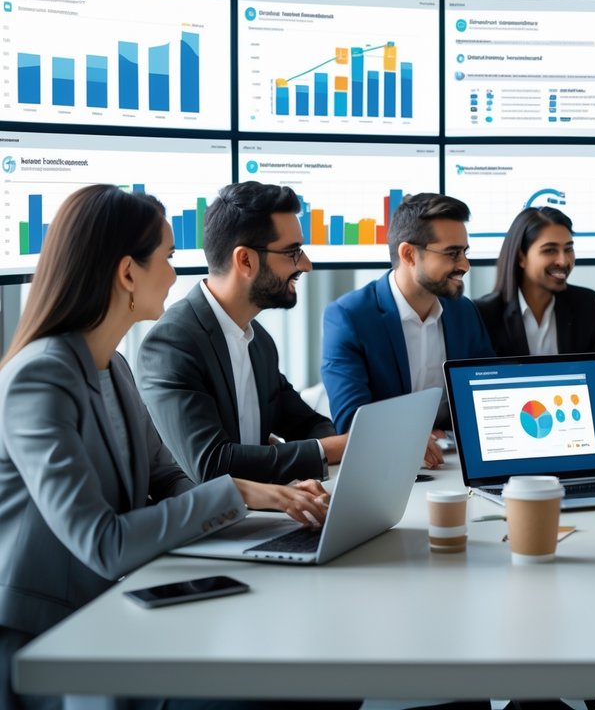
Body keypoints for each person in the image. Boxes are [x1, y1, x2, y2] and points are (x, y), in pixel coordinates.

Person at [0, 185, 330, 710]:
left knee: (316, 684)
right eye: (169, 258)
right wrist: (239, 492)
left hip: (114, 615)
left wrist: (271, 510)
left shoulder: (114, 367)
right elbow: (103, 543)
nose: (178, 275)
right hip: (51, 644)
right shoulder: (39, 377)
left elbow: (170, 479)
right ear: (128, 273)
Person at [138, 182, 344, 486]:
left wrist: (315, 449)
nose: (306, 264)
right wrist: (327, 449)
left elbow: (310, 424)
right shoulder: (172, 344)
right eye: (292, 252)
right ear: (245, 260)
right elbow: (212, 465)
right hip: (213, 528)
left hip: (266, 515)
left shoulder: (258, 340)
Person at [321, 193, 495, 469]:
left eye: (465, 252)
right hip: (383, 468)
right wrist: (412, 437)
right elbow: (352, 421)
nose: (464, 265)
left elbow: (488, 402)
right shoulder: (349, 316)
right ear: (408, 254)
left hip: (451, 463)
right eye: (452, 253)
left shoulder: (464, 312)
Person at [475, 207, 595, 357]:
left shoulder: (586, 304)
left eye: (568, 249)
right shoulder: (484, 314)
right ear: (521, 257)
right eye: (550, 250)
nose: (563, 261)